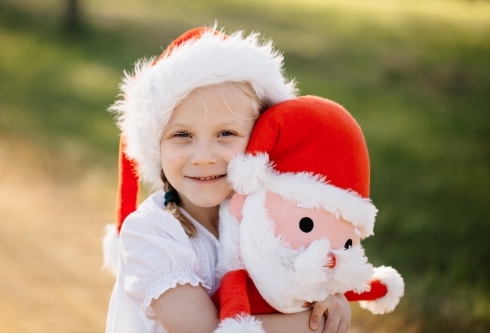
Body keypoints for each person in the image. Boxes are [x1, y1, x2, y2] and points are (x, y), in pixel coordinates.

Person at [103, 26, 352, 333]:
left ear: (262, 139)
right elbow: (204, 330)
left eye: (226, 134)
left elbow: (293, 284)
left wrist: (328, 298)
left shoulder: (267, 220)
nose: (204, 157)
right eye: (182, 135)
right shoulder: (151, 232)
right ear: (157, 145)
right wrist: (311, 324)